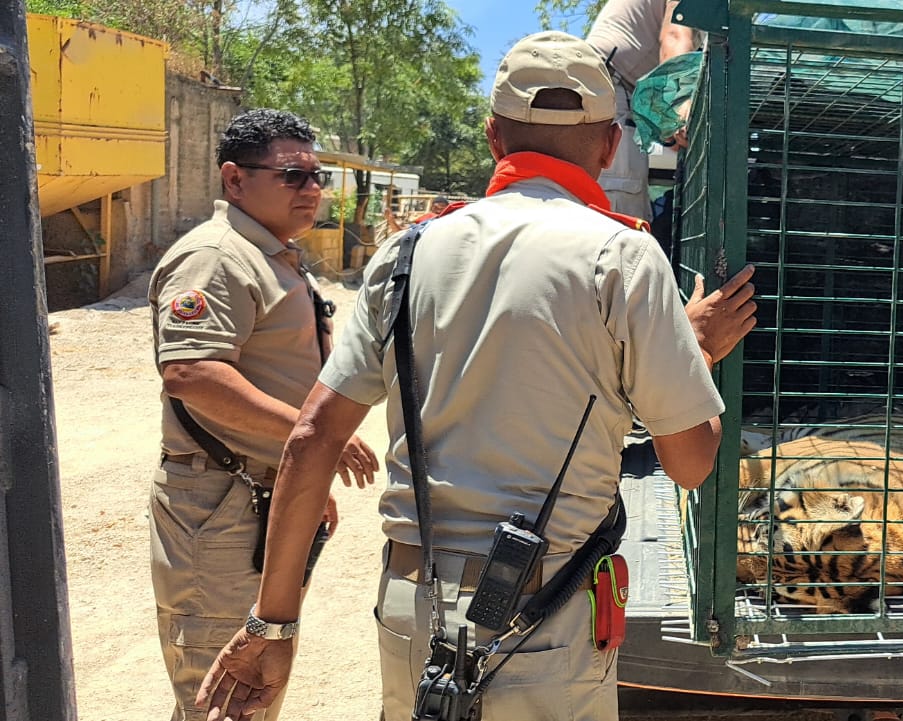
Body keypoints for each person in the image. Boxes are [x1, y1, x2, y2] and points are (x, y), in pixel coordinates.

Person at [195, 31, 754, 721]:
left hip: (414, 610)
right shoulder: (625, 257)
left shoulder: (406, 252)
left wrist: (272, 628)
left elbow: (312, 438)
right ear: (611, 145)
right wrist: (694, 356)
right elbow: (690, 463)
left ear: (493, 137)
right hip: (547, 619)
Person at [146, 108, 377, 721]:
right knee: (225, 694)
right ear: (234, 179)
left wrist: (304, 479)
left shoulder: (269, 255)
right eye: (292, 175)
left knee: (253, 686)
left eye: (317, 176)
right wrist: (313, 437)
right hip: (221, 505)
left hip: (260, 495)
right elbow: (192, 373)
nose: (312, 189)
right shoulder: (215, 257)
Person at [587, 0, 702, 218]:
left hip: (613, 88)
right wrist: (678, 104)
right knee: (620, 216)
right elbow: (675, 36)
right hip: (610, 86)